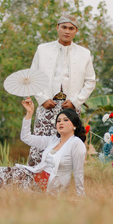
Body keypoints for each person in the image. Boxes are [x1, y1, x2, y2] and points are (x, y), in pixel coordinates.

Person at [0, 98, 87, 196]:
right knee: (1, 176)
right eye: (58, 120)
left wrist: (81, 198)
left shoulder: (76, 144)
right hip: (33, 177)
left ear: (74, 125)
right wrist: (29, 113)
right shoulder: (52, 141)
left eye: (65, 120)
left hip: (49, 187)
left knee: (4, 179)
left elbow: (79, 174)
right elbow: (26, 137)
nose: (60, 123)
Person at [27, 14, 96, 166]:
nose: (67, 31)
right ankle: (36, 178)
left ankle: (65, 181)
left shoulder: (84, 53)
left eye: (71, 28)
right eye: (64, 27)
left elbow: (90, 81)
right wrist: (42, 99)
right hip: (47, 104)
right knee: (40, 145)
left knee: (68, 146)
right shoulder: (42, 49)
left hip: (70, 107)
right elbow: (33, 76)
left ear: (76, 31)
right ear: (57, 28)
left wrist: (76, 102)